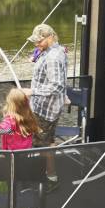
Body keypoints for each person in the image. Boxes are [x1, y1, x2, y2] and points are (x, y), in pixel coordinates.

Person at [21, 23, 67, 186]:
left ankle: (49, 178)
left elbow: (57, 86)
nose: (36, 44)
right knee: (47, 141)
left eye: (39, 41)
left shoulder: (53, 57)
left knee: (43, 144)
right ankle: (45, 174)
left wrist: (32, 91)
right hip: (47, 107)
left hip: (45, 110)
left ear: (50, 37)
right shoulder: (54, 50)